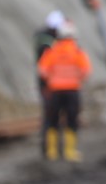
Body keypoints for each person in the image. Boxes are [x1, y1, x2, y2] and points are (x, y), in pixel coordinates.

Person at [37, 20, 92, 162]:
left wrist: (52, 80)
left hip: (55, 91)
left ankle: (52, 152)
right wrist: (77, 79)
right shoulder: (77, 51)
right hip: (72, 91)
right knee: (72, 120)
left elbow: (42, 70)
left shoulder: (52, 51)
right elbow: (86, 70)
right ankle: (70, 151)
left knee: (52, 120)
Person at [33, 9, 65, 156]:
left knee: (52, 114)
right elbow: (46, 67)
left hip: (49, 82)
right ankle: (49, 149)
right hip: (49, 83)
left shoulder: (42, 38)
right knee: (51, 115)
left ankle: (51, 148)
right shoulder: (47, 43)